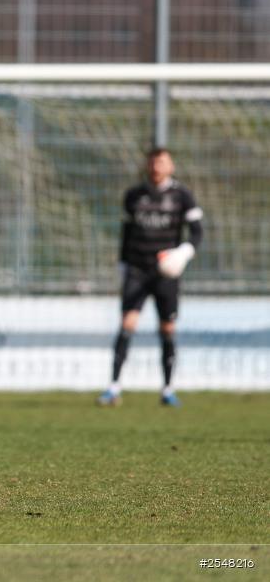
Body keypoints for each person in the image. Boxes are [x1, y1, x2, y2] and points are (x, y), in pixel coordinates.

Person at [98, 147, 203, 407]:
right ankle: (113, 387)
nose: (157, 167)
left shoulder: (182, 195)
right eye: (153, 162)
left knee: (167, 328)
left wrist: (183, 253)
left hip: (166, 272)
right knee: (127, 324)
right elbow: (126, 233)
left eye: (162, 162)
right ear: (148, 165)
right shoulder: (134, 195)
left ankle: (167, 389)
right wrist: (122, 264)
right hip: (137, 269)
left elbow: (197, 231)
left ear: (171, 166)